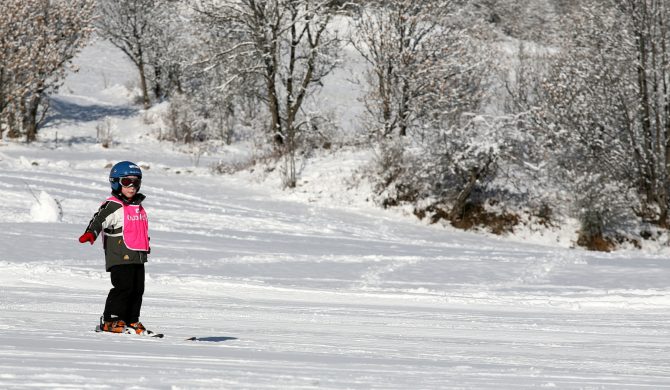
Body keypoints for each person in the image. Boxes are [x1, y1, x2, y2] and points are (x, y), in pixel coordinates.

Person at [78, 161, 152, 335]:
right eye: (127, 182)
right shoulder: (113, 204)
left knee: (137, 289)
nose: (132, 186)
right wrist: (91, 233)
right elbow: (98, 219)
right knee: (123, 287)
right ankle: (110, 320)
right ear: (116, 182)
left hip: (137, 254)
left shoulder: (137, 206)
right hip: (119, 253)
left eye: (136, 182)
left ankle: (131, 320)